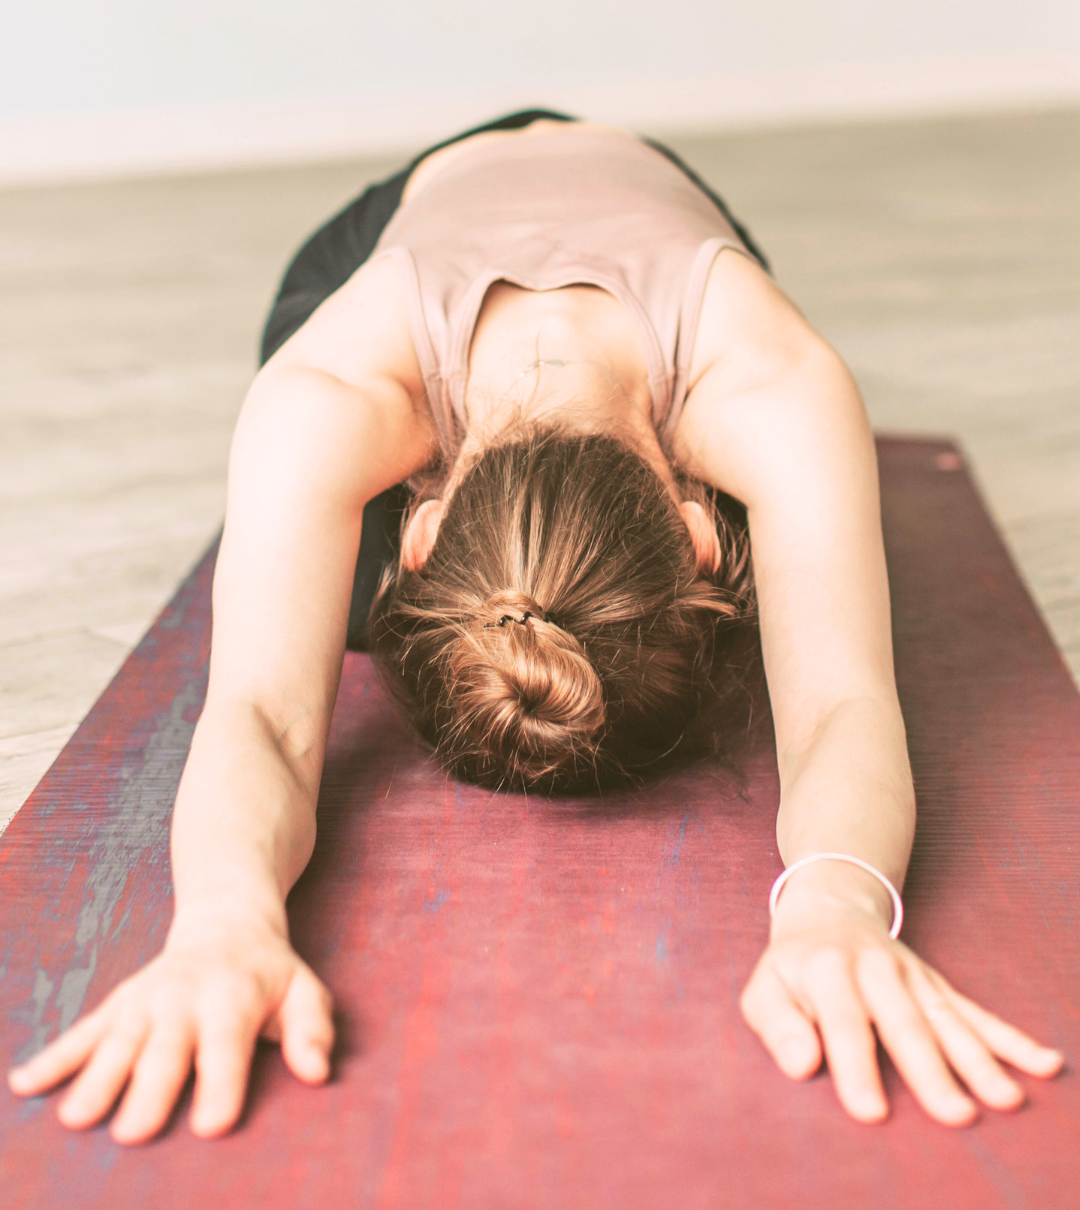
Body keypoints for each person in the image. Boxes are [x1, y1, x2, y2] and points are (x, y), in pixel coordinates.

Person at [8, 110, 1063, 1143]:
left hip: (657, 221)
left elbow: (842, 707)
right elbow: (260, 718)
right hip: (398, 236)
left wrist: (837, 909)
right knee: (352, 601)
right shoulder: (331, 385)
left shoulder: (769, 378)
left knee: (692, 597)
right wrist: (221, 927)